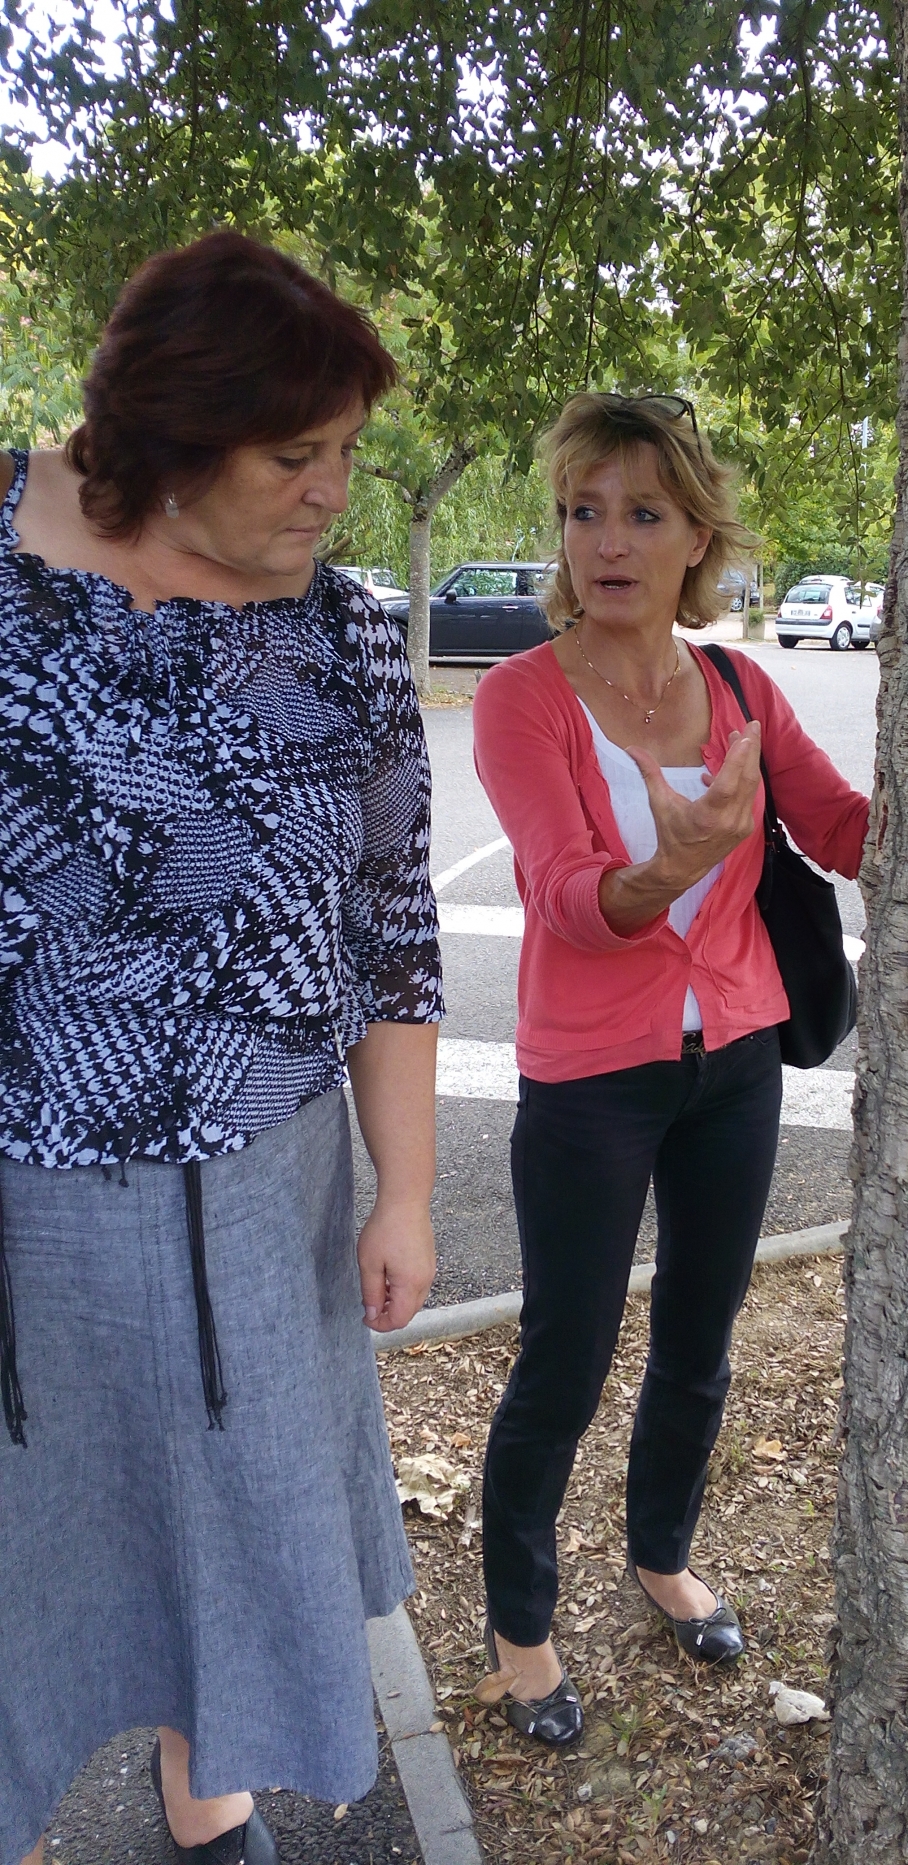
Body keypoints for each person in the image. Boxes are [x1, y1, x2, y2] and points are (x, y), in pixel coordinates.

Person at [0, 232, 442, 1865]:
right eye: (294, 455)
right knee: (35, 1555)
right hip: (28, 1210)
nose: (332, 491)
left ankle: (213, 1807)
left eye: (348, 453)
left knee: (239, 1524)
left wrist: (407, 1191)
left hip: (266, 1199)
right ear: (174, 443)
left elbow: (395, 929)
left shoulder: (340, 639)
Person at [470, 392, 869, 1746]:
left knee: (700, 1339)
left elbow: (841, 827)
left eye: (643, 512)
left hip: (737, 1063)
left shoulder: (742, 689)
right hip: (589, 1079)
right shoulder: (523, 698)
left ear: (698, 536)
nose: (608, 541)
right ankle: (522, 1625)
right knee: (566, 1356)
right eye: (584, 511)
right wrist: (671, 866)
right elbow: (567, 896)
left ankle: (660, 1554)